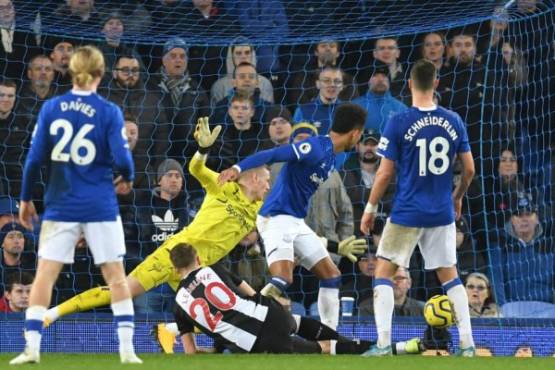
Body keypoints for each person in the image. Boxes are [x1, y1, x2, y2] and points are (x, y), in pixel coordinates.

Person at [41, 117, 270, 341]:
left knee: (223, 315)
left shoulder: (259, 210)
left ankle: (168, 331)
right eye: (267, 181)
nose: (269, 186)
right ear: (254, 179)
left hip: (199, 268)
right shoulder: (223, 187)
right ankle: (51, 314)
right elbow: (196, 168)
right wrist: (202, 150)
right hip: (175, 254)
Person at [9, 45, 141, 365]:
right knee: (116, 276)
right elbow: (124, 160)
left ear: (70, 71)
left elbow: (33, 161)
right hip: (100, 205)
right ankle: (127, 351)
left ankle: (31, 349)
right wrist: (128, 177)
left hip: (61, 205)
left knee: (44, 276)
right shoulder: (109, 111)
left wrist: (26, 200)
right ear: (100, 73)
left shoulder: (51, 108)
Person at [359, 59, 476, 356]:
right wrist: (458, 195)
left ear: (409, 84)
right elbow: (470, 169)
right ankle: (468, 345)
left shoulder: (398, 121)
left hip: (408, 212)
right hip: (441, 212)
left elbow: (384, 173)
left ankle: (384, 344)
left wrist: (371, 208)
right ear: (435, 84)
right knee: (450, 276)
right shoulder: (454, 120)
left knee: (383, 273)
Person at [218, 103, 368, 329]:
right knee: (283, 279)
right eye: (361, 134)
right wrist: (238, 169)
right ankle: (238, 322)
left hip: (296, 222)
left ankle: (329, 335)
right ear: (355, 133)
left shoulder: (333, 157)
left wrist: (336, 246)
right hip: (276, 218)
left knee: (331, 276)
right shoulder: (315, 147)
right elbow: (274, 153)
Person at [170, 243, 421, 355]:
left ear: (174, 270)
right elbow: (249, 292)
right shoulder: (213, 269)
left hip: (255, 341)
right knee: (298, 322)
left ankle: (397, 349)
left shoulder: (178, 305)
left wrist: (215, 347)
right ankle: (384, 345)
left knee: (323, 350)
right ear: (198, 260)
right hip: (268, 313)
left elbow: (191, 353)